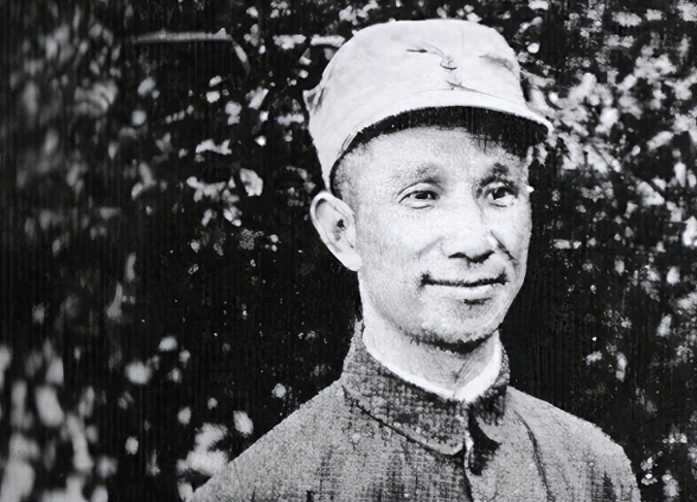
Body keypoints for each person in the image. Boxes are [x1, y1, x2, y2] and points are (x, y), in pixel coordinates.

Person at [192, 18, 641, 502]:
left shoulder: (593, 472)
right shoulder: (260, 491)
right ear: (342, 232)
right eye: (423, 195)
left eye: (499, 191)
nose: (474, 240)